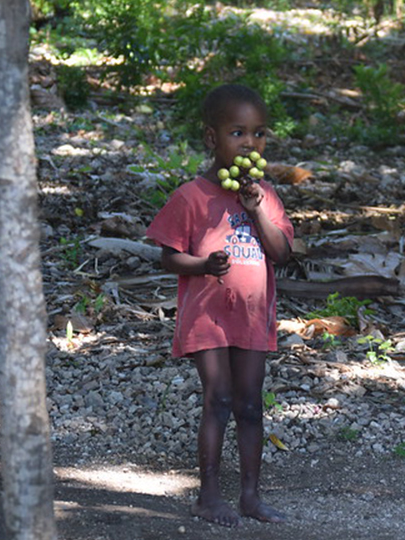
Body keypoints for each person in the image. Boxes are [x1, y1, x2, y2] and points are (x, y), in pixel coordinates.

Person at [146, 84, 293, 527]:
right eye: (237, 132)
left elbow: (283, 253)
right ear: (212, 139)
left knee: (250, 404)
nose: (251, 143)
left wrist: (257, 210)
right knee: (220, 398)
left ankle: (251, 495)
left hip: (251, 316)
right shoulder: (191, 196)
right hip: (207, 317)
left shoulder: (263, 195)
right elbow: (167, 255)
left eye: (259, 133)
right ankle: (208, 496)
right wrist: (203, 264)